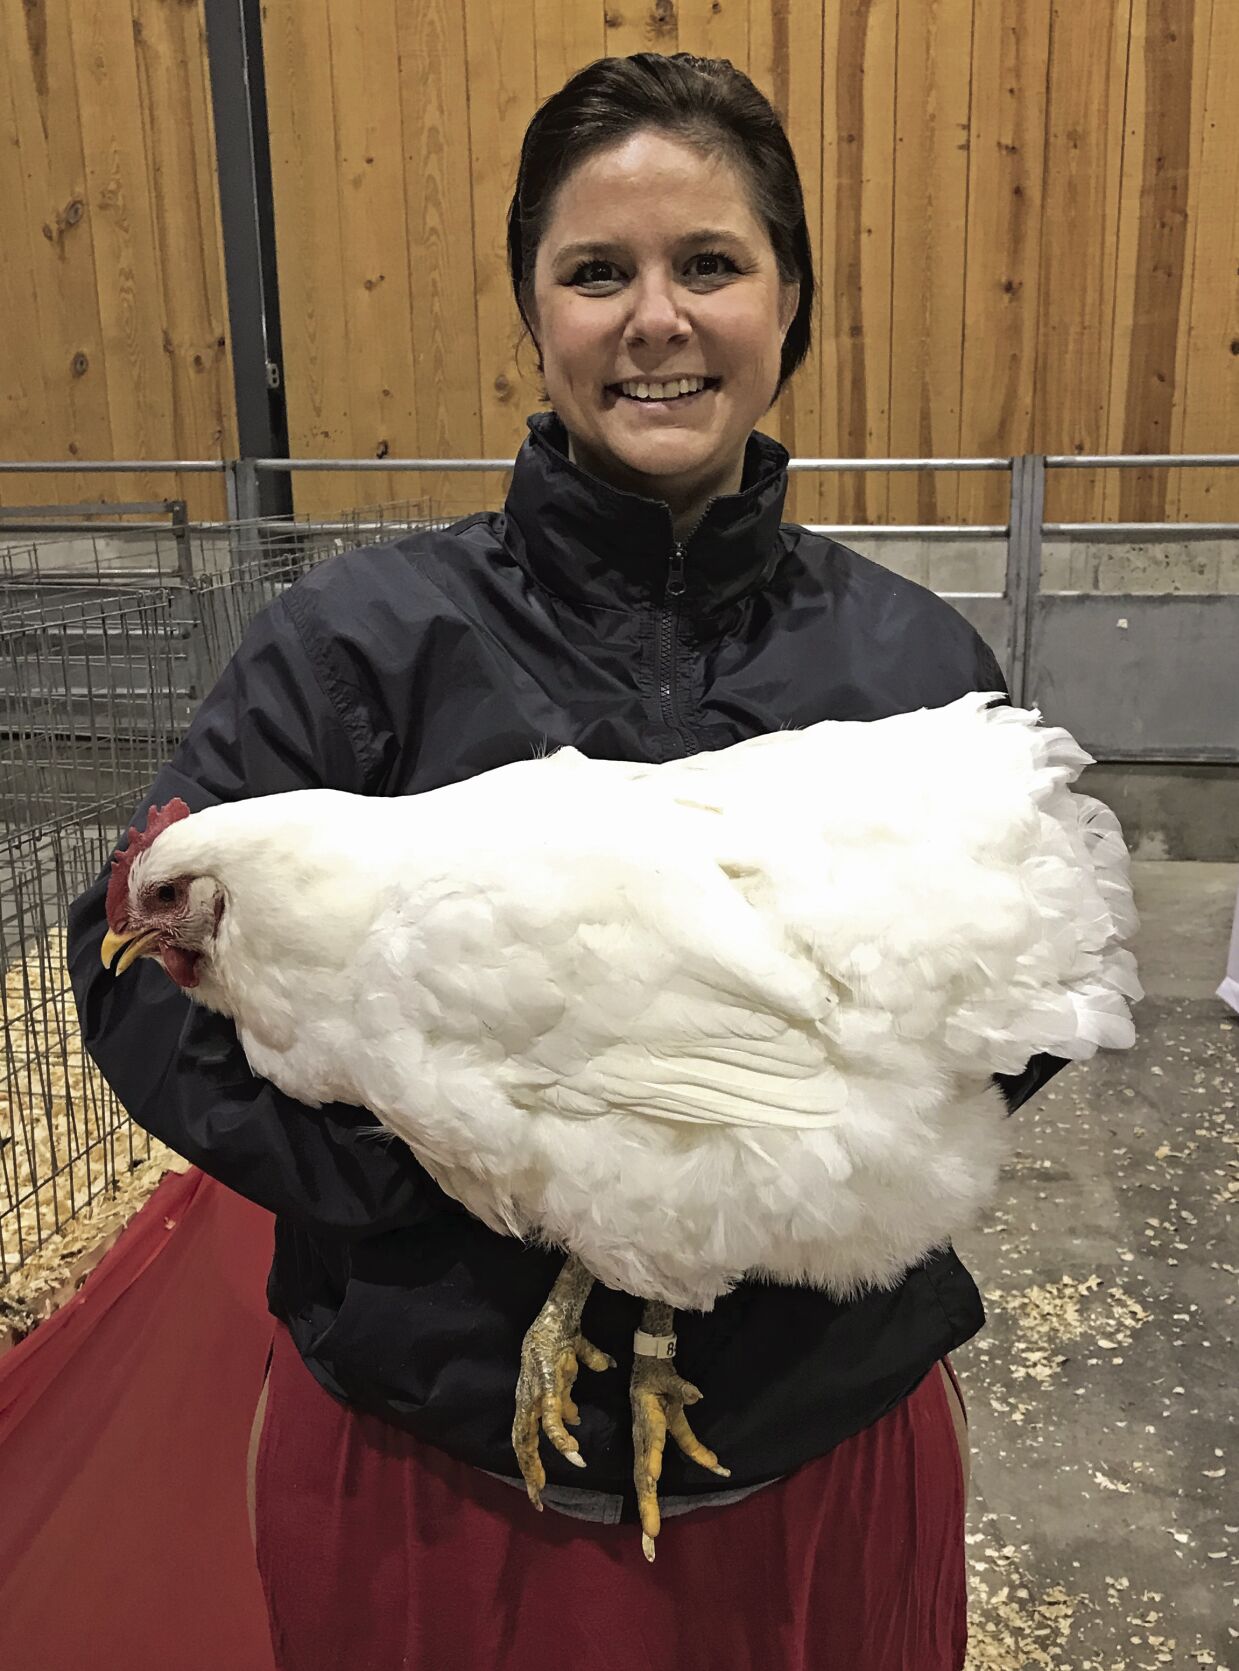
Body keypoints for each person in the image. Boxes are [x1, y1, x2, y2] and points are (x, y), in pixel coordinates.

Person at [69, 52, 1064, 1671]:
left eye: (711, 266)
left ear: (789, 301)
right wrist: (470, 1165)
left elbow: (1010, 1011)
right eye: (596, 272)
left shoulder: (915, 664)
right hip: (440, 1465)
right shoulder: (358, 651)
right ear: (533, 312)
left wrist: (788, 1149)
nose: (654, 319)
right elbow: (126, 971)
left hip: (807, 1445)